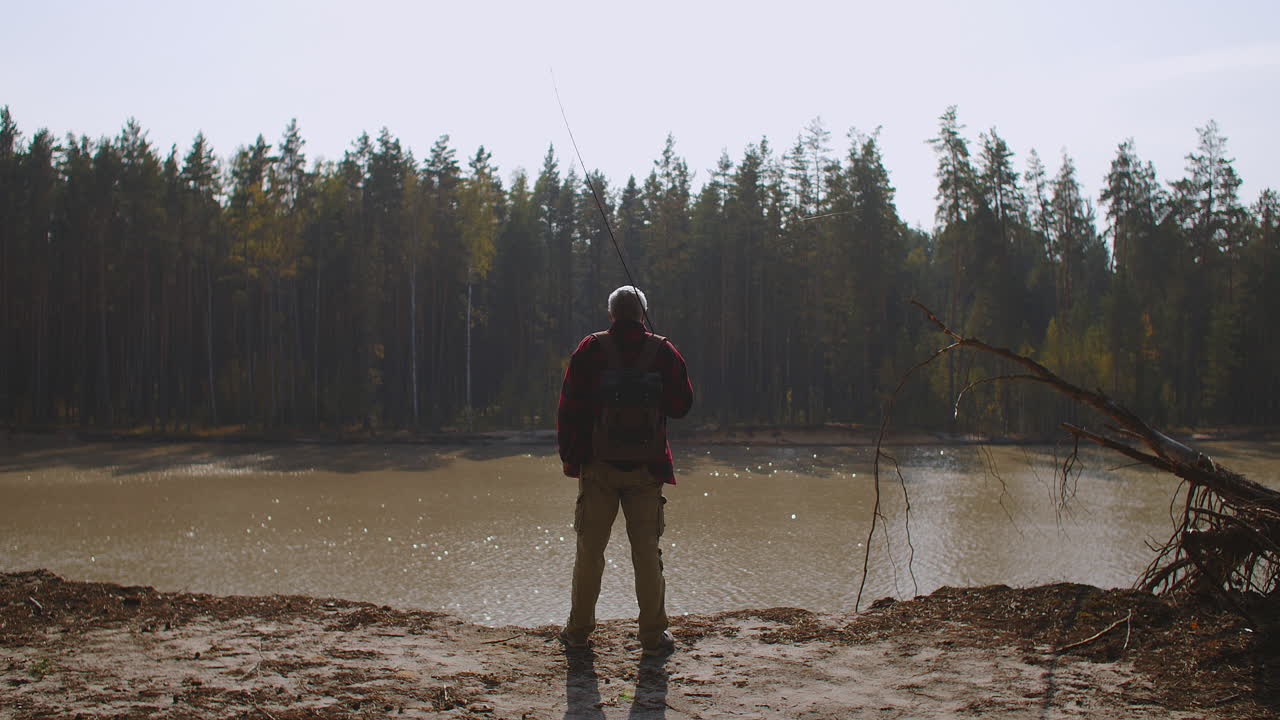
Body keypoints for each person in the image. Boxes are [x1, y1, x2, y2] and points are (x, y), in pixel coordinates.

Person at [556, 285, 694, 656]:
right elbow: (682, 406)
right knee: (647, 553)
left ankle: (578, 633)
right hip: (647, 469)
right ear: (643, 313)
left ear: (611, 314)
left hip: (598, 466)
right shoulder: (663, 351)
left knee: (589, 551)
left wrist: (572, 460)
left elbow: (569, 409)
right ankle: (652, 637)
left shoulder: (591, 348)